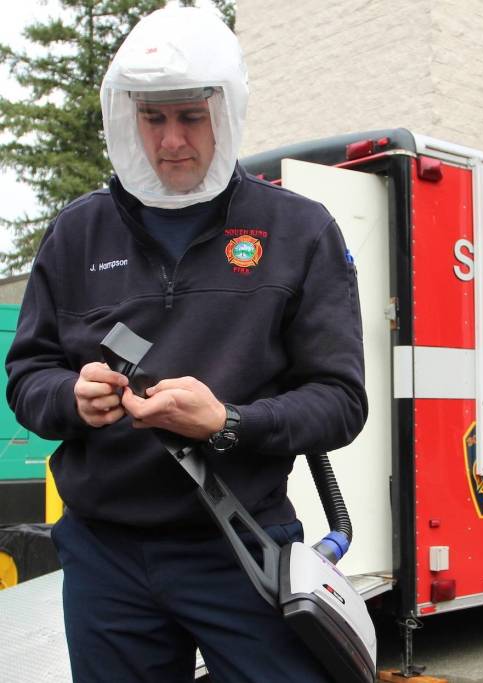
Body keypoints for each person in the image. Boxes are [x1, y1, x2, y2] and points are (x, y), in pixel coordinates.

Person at [5, 7, 367, 682]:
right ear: (128, 117)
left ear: (225, 112)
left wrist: (228, 421)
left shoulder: (298, 231)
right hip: (106, 557)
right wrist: (70, 397)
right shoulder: (78, 233)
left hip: (242, 544)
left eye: (191, 117)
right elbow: (28, 375)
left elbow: (341, 402)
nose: (171, 140)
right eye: (153, 118)